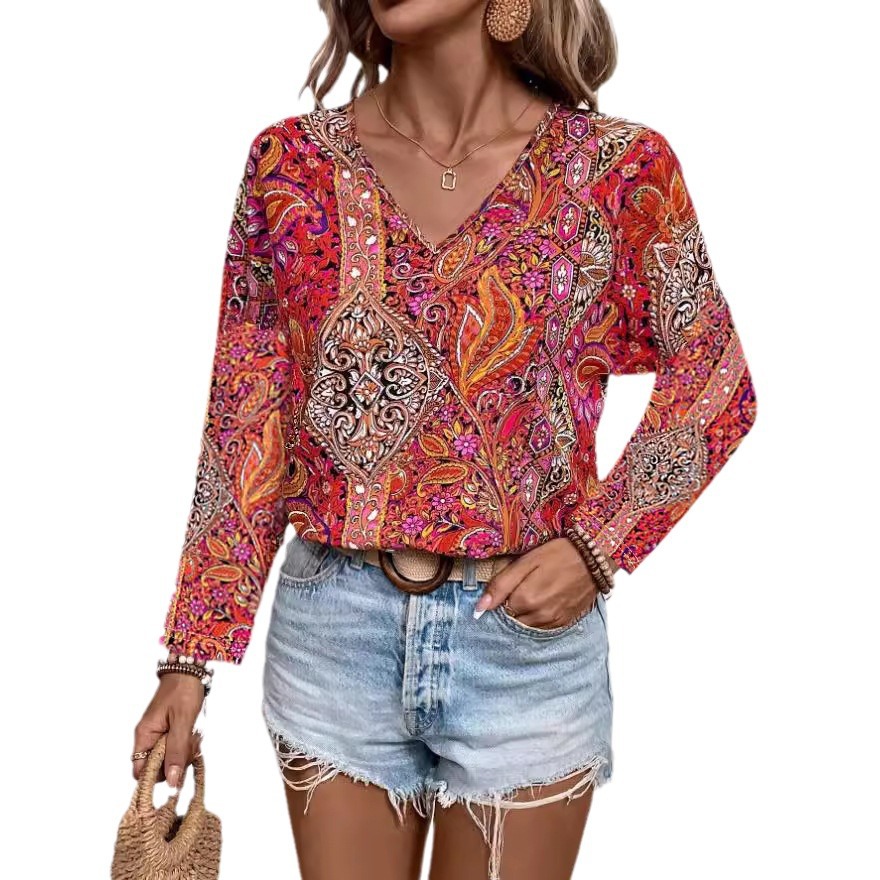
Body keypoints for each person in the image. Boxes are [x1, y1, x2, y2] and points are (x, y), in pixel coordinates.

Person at [131, 1, 759, 878]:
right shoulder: (290, 163)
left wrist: (598, 549)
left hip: (524, 651)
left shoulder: (618, 170)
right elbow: (247, 419)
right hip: (336, 634)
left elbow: (716, 380)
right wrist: (189, 660)